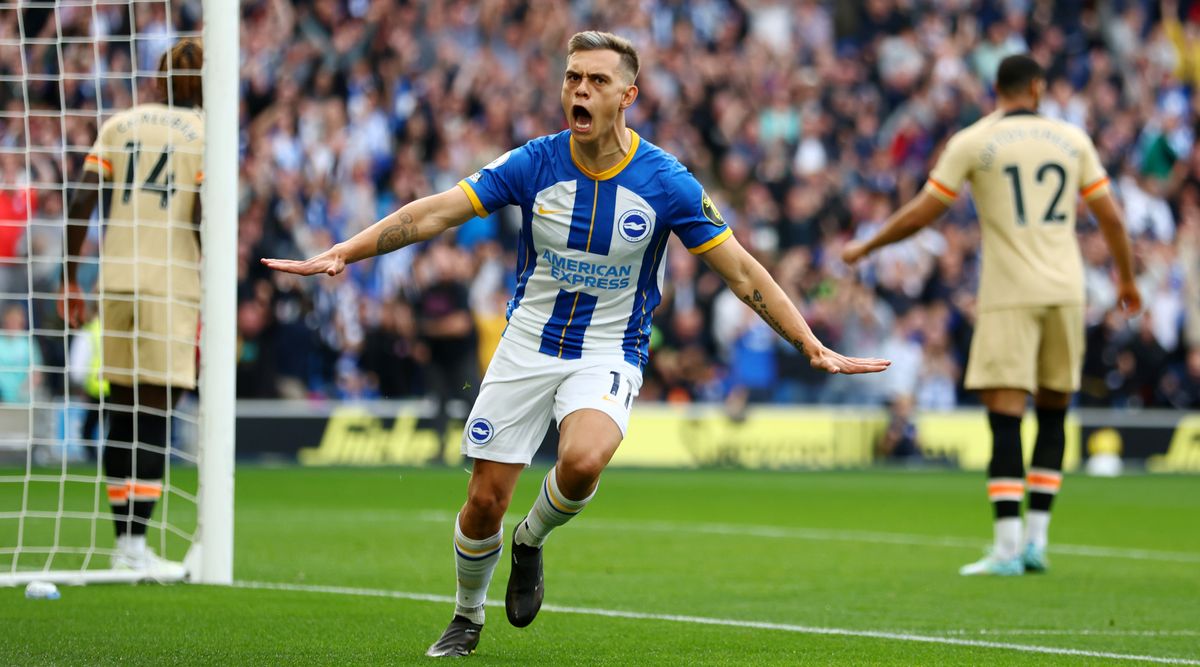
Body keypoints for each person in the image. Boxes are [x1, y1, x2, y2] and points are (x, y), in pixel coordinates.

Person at [264, 31, 889, 657]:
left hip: (609, 349)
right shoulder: (534, 162)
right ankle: (466, 614)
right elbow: (436, 212)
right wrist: (345, 250)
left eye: (595, 80)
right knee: (483, 502)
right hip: (526, 345)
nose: (579, 90)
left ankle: (530, 541)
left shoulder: (667, 182)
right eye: (572, 78)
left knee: (585, 459)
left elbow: (743, 272)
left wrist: (809, 342)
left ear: (628, 95)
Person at [843, 54, 1141, 576]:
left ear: (996, 90)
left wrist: (869, 244)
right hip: (1067, 290)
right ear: (1038, 87)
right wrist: (1127, 280)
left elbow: (925, 211)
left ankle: (1006, 547)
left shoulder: (974, 140)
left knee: (1005, 415)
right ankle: (1037, 543)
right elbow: (1111, 216)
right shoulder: (1073, 139)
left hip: (1010, 291)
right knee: (1053, 412)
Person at [61, 39, 205, 579]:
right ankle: (139, 543)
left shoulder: (120, 124)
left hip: (114, 282)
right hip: (169, 283)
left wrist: (70, 278)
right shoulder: (204, 135)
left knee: (120, 411)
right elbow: (199, 216)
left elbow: (82, 198)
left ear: (157, 77)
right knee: (157, 414)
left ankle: (123, 542)